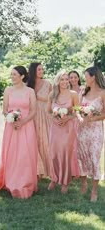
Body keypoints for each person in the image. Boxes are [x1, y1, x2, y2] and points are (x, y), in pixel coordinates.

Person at [0, 66, 38, 198]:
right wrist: (11, 119)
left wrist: (22, 121)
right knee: (13, 154)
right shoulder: (8, 90)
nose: (12, 77)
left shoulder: (30, 91)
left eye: (14, 74)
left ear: (22, 76)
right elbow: (4, 109)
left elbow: (33, 111)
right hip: (11, 127)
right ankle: (11, 181)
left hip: (26, 126)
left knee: (25, 154)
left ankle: (25, 182)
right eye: (11, 74)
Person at [47, 70, 79, 194]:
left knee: (65, 153)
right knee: (54, 153)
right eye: (62, 79)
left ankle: (65, 181)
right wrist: (55, 119)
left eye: (67, 79)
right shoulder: (52, 95)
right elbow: (48, 111)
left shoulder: (73, 94)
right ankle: (54, 178)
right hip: (55, 127)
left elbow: (77, 111)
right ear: (58, 81)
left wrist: (67, 118)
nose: (65, 81)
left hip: (68, 128)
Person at [77, 66, 105, 202]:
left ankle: (94, 190)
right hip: (82, 130)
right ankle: (83, 184)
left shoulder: (103, 93)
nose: (85, 79)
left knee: (94, 158)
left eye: (86, 76)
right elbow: (77, 109)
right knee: (82, 157)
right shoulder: (82, 92)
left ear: (93, 77)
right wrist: (81, 118)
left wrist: (92, 118)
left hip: (95, 131)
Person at [27, 62, 52, 178]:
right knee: (33, 141)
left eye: (42, 69)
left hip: (45, 115)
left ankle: (47, 169)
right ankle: (36, 170)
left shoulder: (48, 83)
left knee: (45, 141)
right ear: (33, 72)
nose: (42, 71)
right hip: (32, 115)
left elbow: (53, 100)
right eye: (39, 70)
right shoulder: (28, 85)